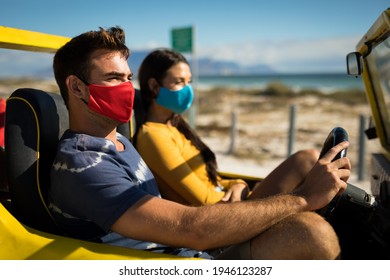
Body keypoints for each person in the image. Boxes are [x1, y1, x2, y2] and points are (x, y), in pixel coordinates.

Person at [49, 26, 351, 260]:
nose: (128, 89)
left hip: (189, 250)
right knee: (312, 233)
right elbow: (189, 227)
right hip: (176, 259)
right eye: (114, 78)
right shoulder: (83, 163)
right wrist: (303, 198)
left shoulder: (119, 144)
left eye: (128, 78)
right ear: (76, 87)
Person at [135, 48, 320, 206]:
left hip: (230, 203)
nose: (187, 89)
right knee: (306, 160)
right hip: (221, 218)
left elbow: (210, 181)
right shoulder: (152, 135)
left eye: (189, 82)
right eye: (179, 82)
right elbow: (204, 200)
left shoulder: (175, 127)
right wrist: (238, 193)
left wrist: (238, 184)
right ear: (154, 86)